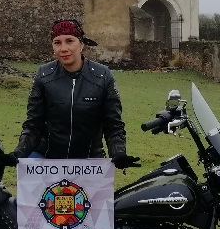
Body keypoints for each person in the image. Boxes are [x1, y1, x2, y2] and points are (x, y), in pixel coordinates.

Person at [11, 18, 139, 168]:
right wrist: (18, 153)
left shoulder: (103, 76)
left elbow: (113, 124)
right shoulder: (43, 75)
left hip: (89, 160)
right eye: (57, 43)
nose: (63, 48)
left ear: (82, 44)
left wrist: (118, 153)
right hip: (46, 157)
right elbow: (33, 124)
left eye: (69, 41)